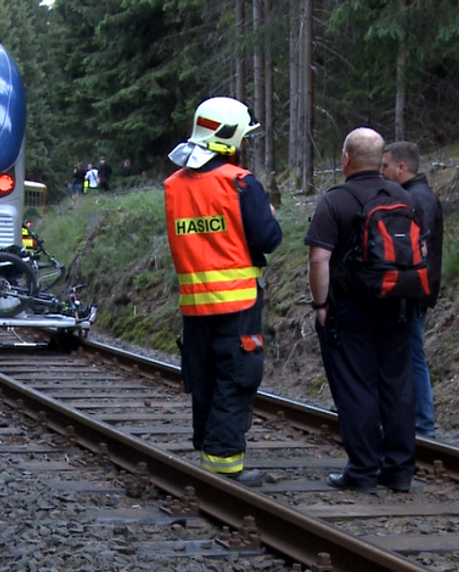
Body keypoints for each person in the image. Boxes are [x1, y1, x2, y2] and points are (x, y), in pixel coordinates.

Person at [163, 96, 283, 488]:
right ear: (230, 137)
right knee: (236, 377)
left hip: (194, 305)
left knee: (204, 378)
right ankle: (225, 465)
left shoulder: (174, 186)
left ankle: (208, 451)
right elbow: (268, 238)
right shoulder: (239, 182)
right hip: (237, 303)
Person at [304, 127, 418, 493]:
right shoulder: (402, 196)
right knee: (398, 384)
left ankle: (363, 470)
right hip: (397, 304)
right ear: (380, 159)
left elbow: (319, 258)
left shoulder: (335, 201)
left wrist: (320, 304)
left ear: (346, 158)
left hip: (351, 308)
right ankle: (399, 470)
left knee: (357, 385)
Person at [381, 141, 443, 438]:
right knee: (408, 353)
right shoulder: (419, 196)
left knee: (412, 354)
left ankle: (423, 423)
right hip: (416, 289)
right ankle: (417, 421)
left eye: (386, 165)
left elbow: (418, 251)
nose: (383, 171)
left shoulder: (416, 201)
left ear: (401, 167)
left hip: (412, 290)